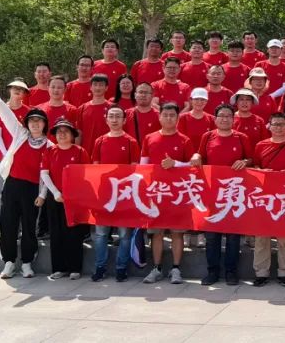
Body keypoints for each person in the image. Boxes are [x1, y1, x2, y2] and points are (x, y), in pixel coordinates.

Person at [0, 79, 50, 279]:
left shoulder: (49, 145)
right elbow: (5, 114)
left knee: (29, 226)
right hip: (12, 184)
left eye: (39, 121)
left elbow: (47, 174)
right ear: (27, 123)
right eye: (32, 121)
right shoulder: (19, 133)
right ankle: (9, 262)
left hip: (32, 189)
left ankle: (27, 263)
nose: (35, 124)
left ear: (44, 124)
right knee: (8, 224)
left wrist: (42, 194)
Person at [191, 104, 252, 286]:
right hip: (213, 192)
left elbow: (251, 159)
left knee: (233, 236)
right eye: (221, 116)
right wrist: (196, 156)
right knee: (212, 235)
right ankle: (212, 271)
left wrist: (244, 161)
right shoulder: (208, 136)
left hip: (234, 192)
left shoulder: (241, 137)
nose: (225, 119)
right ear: (215, 119)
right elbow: (200, 156)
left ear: (234, 119)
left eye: (228, 116)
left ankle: (231, 272)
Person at [140, 103, 193, 285]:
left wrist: (175, 164)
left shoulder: (184, 140)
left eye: (172, 115)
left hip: (177, 193)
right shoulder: (149, 138)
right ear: (159, 117)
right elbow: (143, 165)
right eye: (165, 115)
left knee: (177, 232)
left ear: (178, 118)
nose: (169, 118)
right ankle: (157, 268)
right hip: (156, 191)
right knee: (157, 232)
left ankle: (176, 269)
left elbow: (192, 166)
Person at [90, 105, 141, 282]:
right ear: (106, 120)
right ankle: (100, 267)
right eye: (111, 116)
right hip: (104, 194)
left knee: (124, 235)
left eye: (118, 116)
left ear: (124, 120)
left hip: (124, 194)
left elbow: (135, 168)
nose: (114, 120)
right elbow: (95, 167)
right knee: (101, 234)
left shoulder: (131, 142)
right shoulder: (100, 141)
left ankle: (121, 268)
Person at [251, 113, 285, 287]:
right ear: (269, 126)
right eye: (275, 124)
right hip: (265, 197)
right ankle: (261, 273)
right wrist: (261, 171)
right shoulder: (260, 145)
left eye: (281, 124)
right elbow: (255, 166)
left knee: (284, 237)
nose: (278, 127)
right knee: (261, 236)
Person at [39, 118, 90, 281]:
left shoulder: (80, 151)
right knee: (56, 232)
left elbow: (86, 174)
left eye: (66, 131)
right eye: (59, 131)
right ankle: (58, 268)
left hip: (74, 198)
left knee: (74, 232)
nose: (62, 134)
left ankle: (75, 268)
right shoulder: (49, 151)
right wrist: (55, 192)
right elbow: (44, 174)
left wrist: (74, 193)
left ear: (72, 135)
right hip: (55, 197)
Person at [0, 80, 30, 240]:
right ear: (9, 90)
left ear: (25, 94)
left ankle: (18, 229)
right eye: (15, 88)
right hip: (2, 157)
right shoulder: (1, 109)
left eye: (21, 89)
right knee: (0, 193)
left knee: (18, 195)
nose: (17, 91)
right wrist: (8, 155)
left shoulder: (28, 112)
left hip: (21, 160)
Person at [77, 75, 112, 155]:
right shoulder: (82, 108)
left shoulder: (112, 108)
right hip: (86, 151)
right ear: (90, 87)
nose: (98, 88)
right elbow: (79, 133)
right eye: (95, 85)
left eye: (101, 85)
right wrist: (77, 151)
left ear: (106, 88)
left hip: (107, 150)